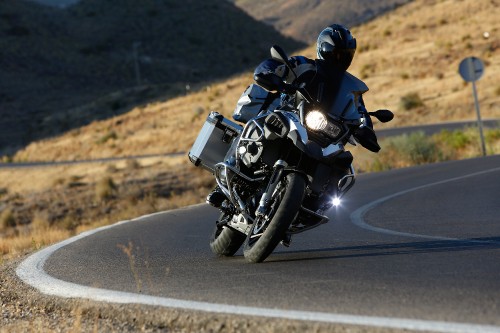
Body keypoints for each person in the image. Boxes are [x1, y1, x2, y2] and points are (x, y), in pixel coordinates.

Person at [207, 24, 378, 208]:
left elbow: (361, 113)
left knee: (342, 161)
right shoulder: (306, 65)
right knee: (260, 122)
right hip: (290, 115)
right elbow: (277, 65)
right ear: (323, 49)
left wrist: (366, 130)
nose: (338, 58)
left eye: (344, 54)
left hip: (321, 133)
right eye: (334, 52)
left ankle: (313, 201)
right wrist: (271, 74)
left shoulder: (351, 90)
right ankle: (227, 175)